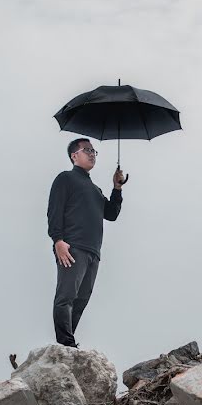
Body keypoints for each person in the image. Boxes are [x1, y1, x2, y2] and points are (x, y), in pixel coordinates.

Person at [47, 138, 126, 347]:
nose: (92, 154)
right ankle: (65, 342)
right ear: (74, 156)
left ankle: (68, 343)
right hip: (72, 247)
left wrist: (117, 187)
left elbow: (111, 214)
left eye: (94, 151)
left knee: (81, 300)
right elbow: (54, 211)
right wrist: (58, 240)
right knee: (66, 296)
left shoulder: (95, 190)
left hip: (93, 252)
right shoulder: (65, 179)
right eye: (87, 150)